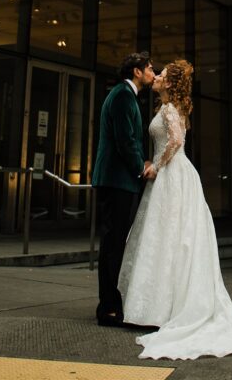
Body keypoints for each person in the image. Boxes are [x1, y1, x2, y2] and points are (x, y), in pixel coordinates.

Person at [119, 59, 232, 360]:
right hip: (170, 175)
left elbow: (175, 140)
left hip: (173, 175)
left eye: (161, 75)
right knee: (165, 238)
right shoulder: (166, 108)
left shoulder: (171, 110)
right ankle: (159, 305)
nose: (156, 77)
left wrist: (156, 165)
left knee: (172, 236)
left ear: (170, 83)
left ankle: (165, 307)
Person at [92, 50, 155, 327]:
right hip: (117, 180)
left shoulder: (126, 95)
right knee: (113, 244)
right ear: (137, 72)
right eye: (150, 69)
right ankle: (107, 308)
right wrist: (141, 168)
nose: (153, 73)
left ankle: (111, 304)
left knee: (115, 242)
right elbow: (125, 140)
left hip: (120, 180)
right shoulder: (121, 96)